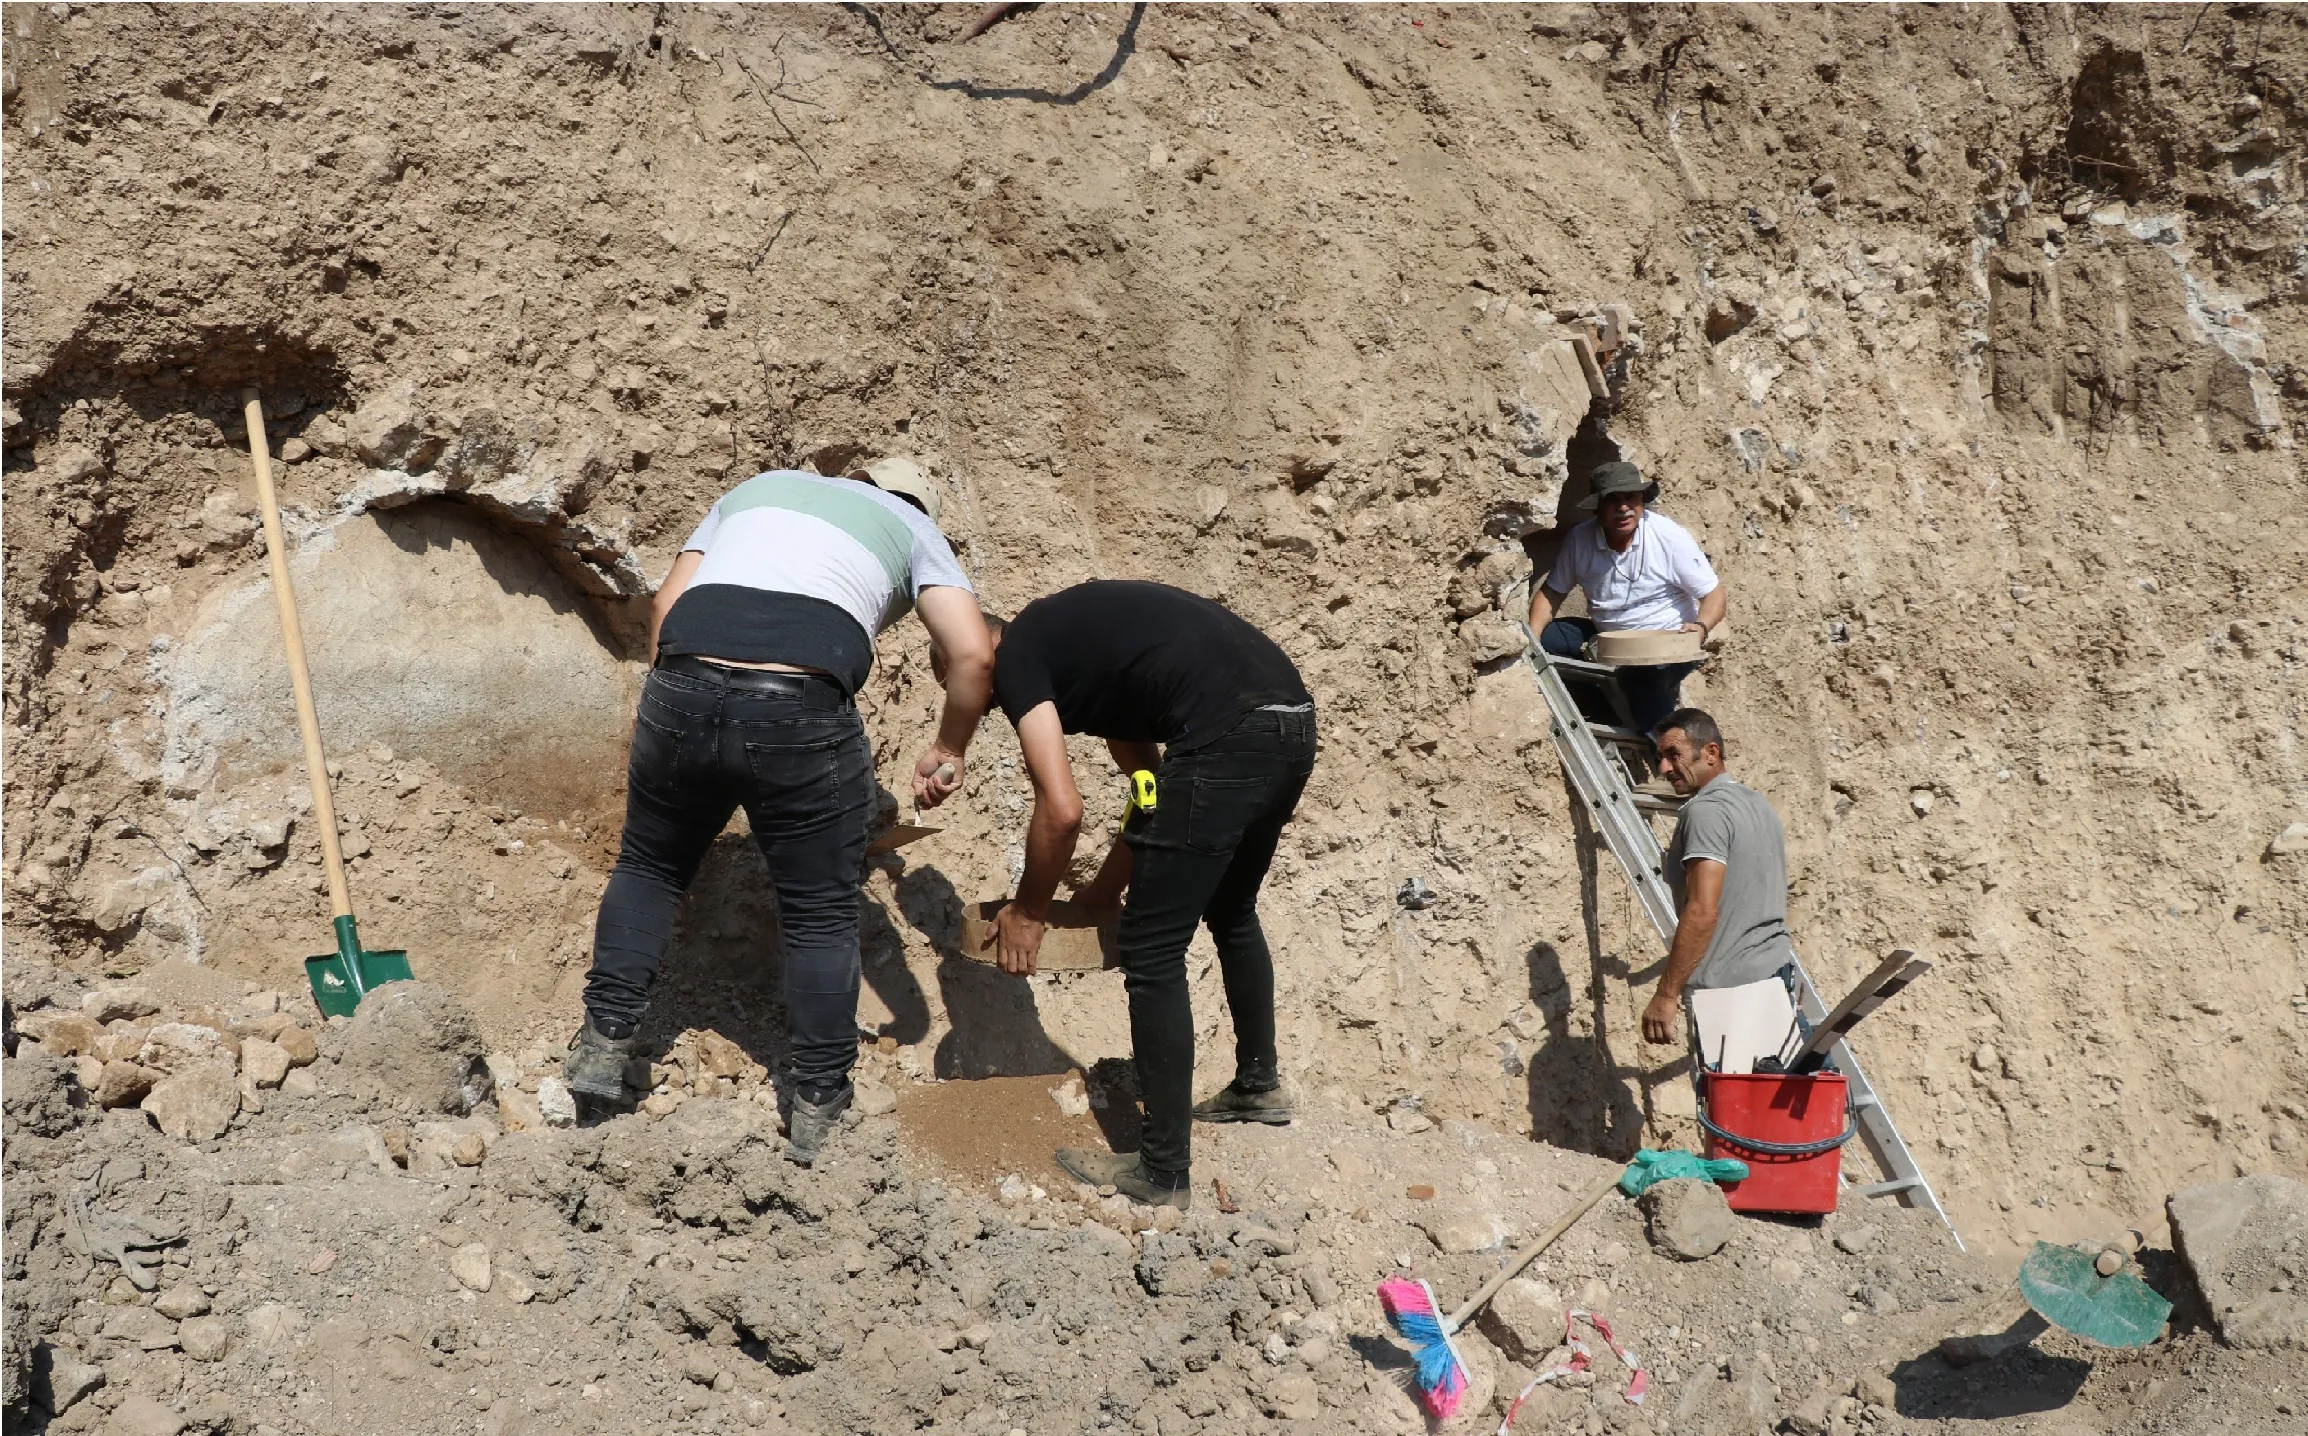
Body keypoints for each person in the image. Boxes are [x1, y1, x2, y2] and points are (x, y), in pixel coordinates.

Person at [565, 457, 994, 1166]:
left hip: (682, 679)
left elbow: (669, 601)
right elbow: (973, 655)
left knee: (648, 866)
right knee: (819, 910)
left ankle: (602, 1047)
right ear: (919, 505)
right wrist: (949, 747)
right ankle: (820, 1107)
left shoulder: (756, 489)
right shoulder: (912, 524)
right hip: (798, 701)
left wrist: (672, 697)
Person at [972, 580, 1316, 1208]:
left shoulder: (1015, 654)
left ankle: (1162, 1171)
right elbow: (1151, 789)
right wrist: (1105, 893)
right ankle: (1258, 1085)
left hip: (1227, 733)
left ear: (979, 650)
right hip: (1288, 724)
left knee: (1153, 951)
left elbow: (1062, 810)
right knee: (1231, 907)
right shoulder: (1104, 671)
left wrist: (1029, 910)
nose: (988, 705)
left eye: (972, 686)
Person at [1527, 460, 1727, 737]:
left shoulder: (1668, 537)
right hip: (1610, 639)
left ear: (1642, 501)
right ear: (1597, 507)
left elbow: (1714, 593)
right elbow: (1553, 592)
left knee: (1638, 681)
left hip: (1667, 643)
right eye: (1613, 500)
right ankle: (1601, 710)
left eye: (1631, 498)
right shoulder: (1580, 540)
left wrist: (1700, 628)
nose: (1623, 508)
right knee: (1550, 639)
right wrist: (1532, 641)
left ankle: (1667, 752)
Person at [1638, 708, 1798, 1047]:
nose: (1664, 768)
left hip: (1728, 994)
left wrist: (1666, 995)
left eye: (1673, 754)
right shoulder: (1758, 805)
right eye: (1660, 757)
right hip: (1774, 975)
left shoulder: (1706, 811)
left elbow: (1702, 912)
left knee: (1733, 1084)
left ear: (1711, 753)